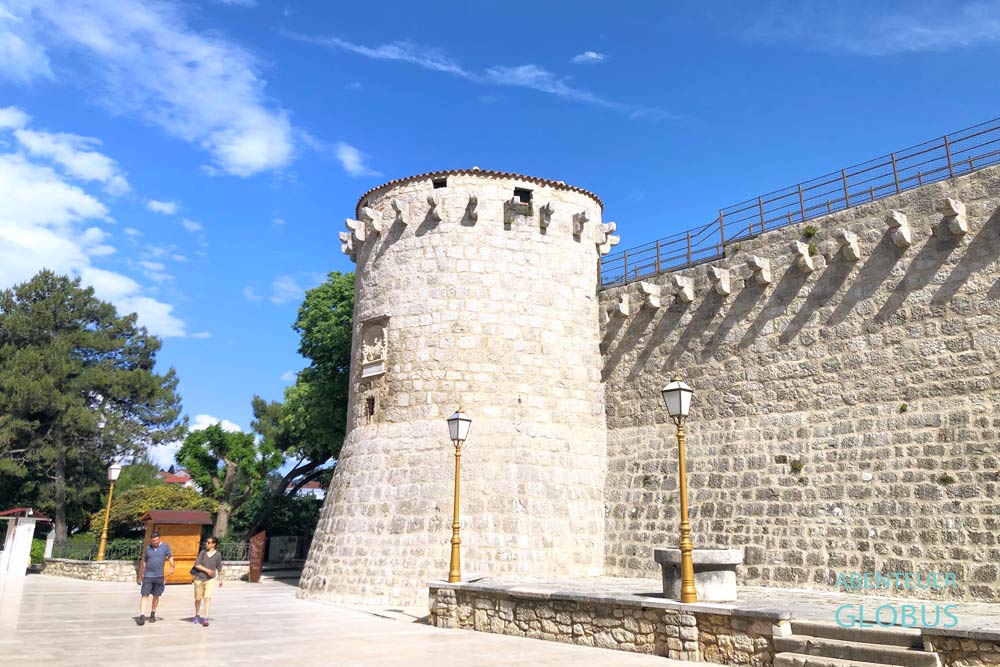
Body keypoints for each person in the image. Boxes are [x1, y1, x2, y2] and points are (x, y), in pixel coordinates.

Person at [137, 531, 174, 625]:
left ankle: (153, 614)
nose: (155, 542)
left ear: (159, 539)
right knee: (144, 595)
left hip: (159, 576)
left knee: (156, 596)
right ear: (151, 540)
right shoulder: (148, 548)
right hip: (148, 576)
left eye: (156, 540)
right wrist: (142, 573)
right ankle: (142, 615)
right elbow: (145, 561)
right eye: (153, 541)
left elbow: (170, 556)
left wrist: (172, 566)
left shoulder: (165, 546)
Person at [191, 536, 223, 627]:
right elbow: (197, 565)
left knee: (207, 598)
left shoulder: (218, 555)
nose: (207, 544)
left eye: (209, 542)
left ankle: (206, 618)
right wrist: (207, 570)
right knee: (198, 599)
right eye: (207, 542)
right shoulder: (203, 553)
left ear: (214, 544)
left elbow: (219, 567)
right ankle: (197, 615)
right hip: (199, 579)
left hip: (210, 580)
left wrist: (221, 579)